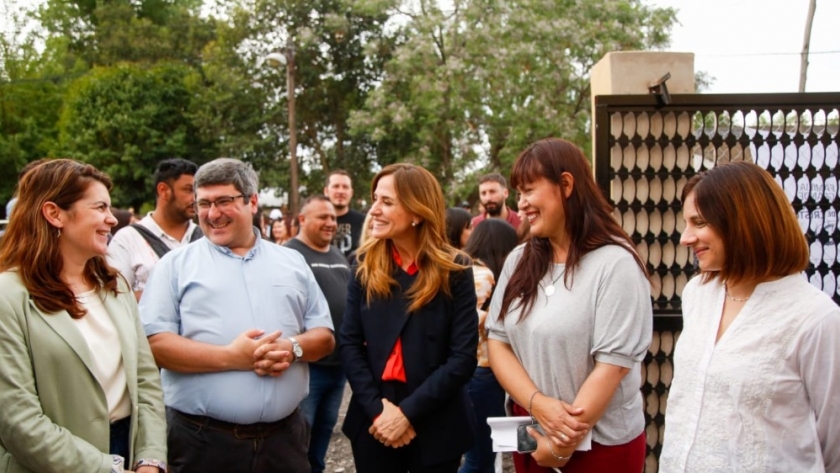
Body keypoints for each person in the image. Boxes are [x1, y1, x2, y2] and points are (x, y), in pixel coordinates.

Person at [139, 158, 335, 473]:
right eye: (203, 204)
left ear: (252, 201)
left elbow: (324, 336)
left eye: (224, 201)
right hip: (202, 443)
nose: (213, 214)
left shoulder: (292, 262)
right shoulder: (174, 266)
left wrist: (291, 348)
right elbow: (154, 345)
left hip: (285, 441)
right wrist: (232, 357)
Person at [659, 161, 840, 472]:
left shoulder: (815, 318)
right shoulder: (697, 295)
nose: (685, 238)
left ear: (744, 222)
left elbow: (834, 439)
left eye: (699, 223)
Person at [486, 138, 651, 473]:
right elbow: (498, 341)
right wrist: (539, 405)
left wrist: (562, 445)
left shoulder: (614, 263)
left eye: (529, 190)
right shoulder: (519, 260)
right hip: (528, 431)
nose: (523, 204)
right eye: (519, 194)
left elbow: (613, 364)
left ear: (566, 184)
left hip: (599, 444)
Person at [0, 159, 166, 473]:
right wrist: (109, 469)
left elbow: (146, 382)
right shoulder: (8, 296)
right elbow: (16, 420)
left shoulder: (115, 285)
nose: (112, 219)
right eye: (100, 207)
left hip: (128, 449)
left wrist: (150, 460)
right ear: (54, 214)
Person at [340, 163, 479, 473]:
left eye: (386, 202)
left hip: (435, 414)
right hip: (374, 414)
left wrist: (406, 415)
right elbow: (349, 344)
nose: (373, 210)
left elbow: (462, 358)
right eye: (375, 199)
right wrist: (379, 412)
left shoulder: (455, 270)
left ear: (418, 212)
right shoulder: (363, 266)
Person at [284, 195, 352, 473]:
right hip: (308, 366)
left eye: (333, 218)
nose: (330, 223)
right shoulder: (289, 255)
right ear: (302, 219)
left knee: (324, 430)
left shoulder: (338, 256)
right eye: (322, 217)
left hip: (338, 366)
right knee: (300, 435)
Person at [460, 219, 518, 473]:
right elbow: (464, 319)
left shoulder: (465, 268)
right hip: (481, 372)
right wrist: (500, 316)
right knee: (480, 458)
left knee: (482, 456)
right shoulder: (482, 274)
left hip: (475, 372)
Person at [107, 158, 202, 300]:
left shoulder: (207, 238)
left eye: (197, 191)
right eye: (188, 190)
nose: (195, 198)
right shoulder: (127, 240)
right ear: (163, 190)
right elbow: (114, 298)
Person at [325, 170, 366, 258]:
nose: (340, 191)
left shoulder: (364, 222)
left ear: (351, 192)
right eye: (336, 186)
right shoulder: (315, 221)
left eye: (345, 187)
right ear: (326, 191)